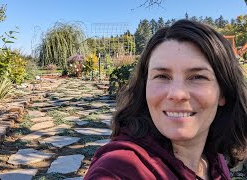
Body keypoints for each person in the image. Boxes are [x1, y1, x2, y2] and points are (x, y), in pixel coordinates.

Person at [84, 19, 247, 180]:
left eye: (197, 77)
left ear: (223, 92)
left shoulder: (213, 159)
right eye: (162, 76)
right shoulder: (118, 168)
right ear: (144, 86)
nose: (177, 94)